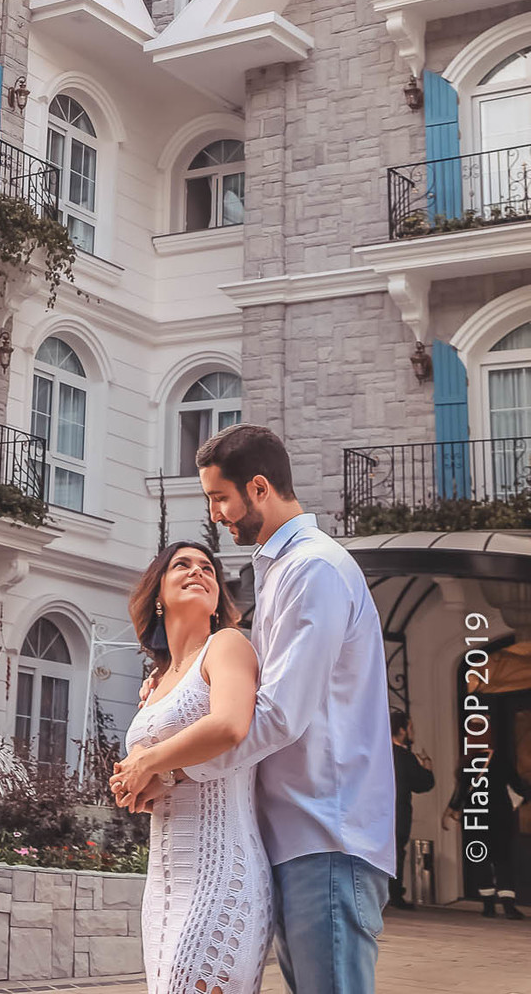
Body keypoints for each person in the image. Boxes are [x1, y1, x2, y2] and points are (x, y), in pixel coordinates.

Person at [112, 424, 395, 994]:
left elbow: (276, 716)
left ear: (259, 488)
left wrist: (164, 765)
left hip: (326, 834)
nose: (216, 515)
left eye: (220, 498)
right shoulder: (283, 572)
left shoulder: (312, 569)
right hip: (293, 837)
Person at [115, 539, 273, 994]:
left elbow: (229, 726)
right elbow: (154, 776)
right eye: (181, 565)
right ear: (158, 594)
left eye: (207, 567)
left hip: (223, 869)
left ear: (219, 597)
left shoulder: (227, 646)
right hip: (164, 879)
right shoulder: (155, 681)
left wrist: (148, 761)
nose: (197, 571)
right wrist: (134, 783)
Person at [442, 740, 529, 919]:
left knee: (480, 860)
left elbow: (461, 790)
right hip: (499, 818)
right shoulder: (501, 760)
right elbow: (518, 787)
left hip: (475, 817)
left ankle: (488, 906)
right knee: (503, 860)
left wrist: (449, 812)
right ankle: (508, 906)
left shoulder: (469, 762)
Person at [389, 709, 434, 908]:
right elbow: (423, 784)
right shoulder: (404, 756)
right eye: (410, 728)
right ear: (401, 731)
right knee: (396, 853)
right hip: (397, 814)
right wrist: (427, 767)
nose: (412, 732)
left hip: (373, 814)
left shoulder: (376, 751)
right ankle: (395, 895)